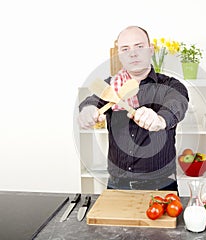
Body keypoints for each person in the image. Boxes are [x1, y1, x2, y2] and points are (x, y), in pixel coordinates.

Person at [78, 26, 189, 191]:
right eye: (125, 49)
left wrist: (160, 120)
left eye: (139, 46)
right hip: (116, 186)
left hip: (162, 187)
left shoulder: (170, 85)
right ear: (120, 56)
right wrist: (88, 110)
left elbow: (177, 103)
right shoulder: (111, 86)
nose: (133, 53)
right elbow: (93, 100)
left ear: (150, 50)